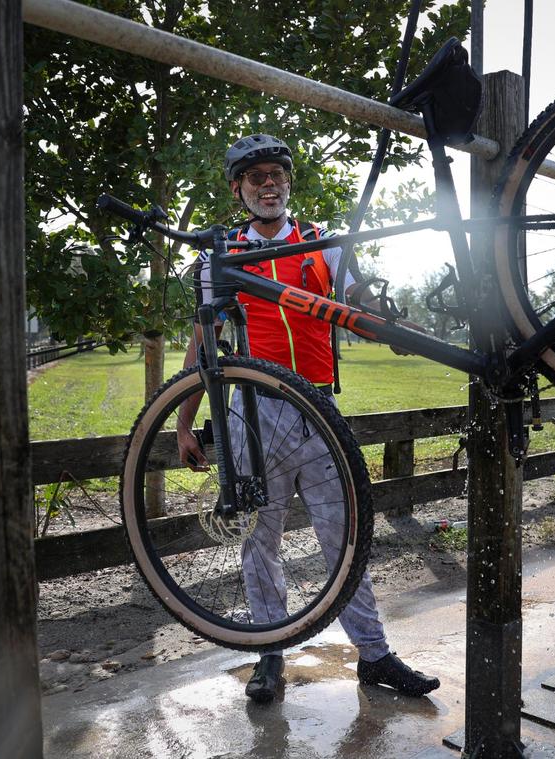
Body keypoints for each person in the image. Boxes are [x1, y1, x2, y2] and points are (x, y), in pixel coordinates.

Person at [175, 134, 440, 704]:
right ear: (238, 189)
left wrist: (396, 330)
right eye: (256, 178)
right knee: (259, 542)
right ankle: (269, 655)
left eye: (277, 175)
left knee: (345, 538)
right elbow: (203, 345)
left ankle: (374, 655)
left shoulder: (325, 244)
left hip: (320, 411)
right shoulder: (219, 259)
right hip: (253, 415)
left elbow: (361, 308)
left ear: (288, 184)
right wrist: (182, 421)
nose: (268, 185)